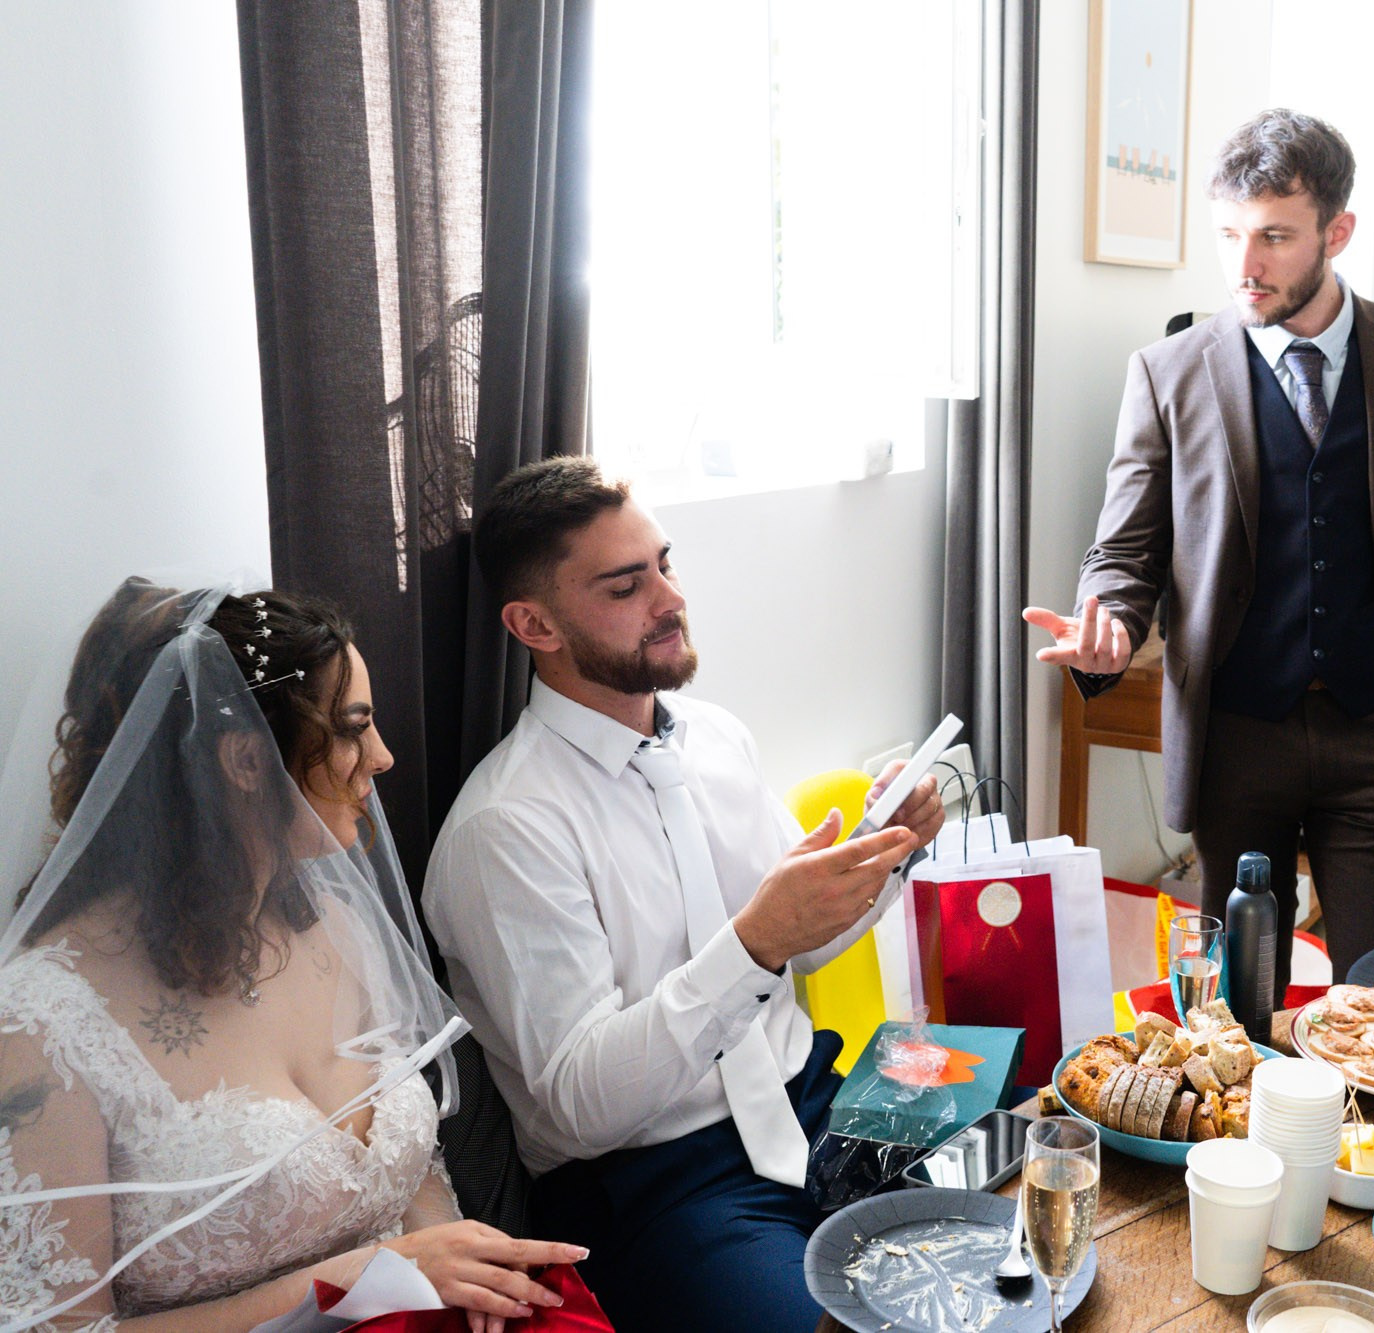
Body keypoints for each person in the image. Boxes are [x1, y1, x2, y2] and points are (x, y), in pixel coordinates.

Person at [423, 457, 946, 1333]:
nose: (669, 598)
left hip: (813, 1103)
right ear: (533, 623)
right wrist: (753, 944)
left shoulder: (716, 740)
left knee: (1023, 1265)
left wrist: (884, 854)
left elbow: (798, 941)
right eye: (628, 585)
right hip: (660, 1183)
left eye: (665, 564)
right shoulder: (506, 829)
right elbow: (576, 1103)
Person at [0, 579, 580, 1332]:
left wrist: (466, 1284)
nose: (383, 756)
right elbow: (60, 1331)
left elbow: (415, 1181)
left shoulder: (337, 920)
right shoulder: (43, 1023)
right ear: (245, 760)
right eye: (352, 727)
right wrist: (360, 1277)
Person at [1025, 108, 1374, 989]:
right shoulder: (1167, 372)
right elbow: (1125, 551)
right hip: (1236, 736)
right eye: (1231, 235)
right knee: (1242, 1007)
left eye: (1275, 236)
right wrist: (1111, 628)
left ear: (1337, 232)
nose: (1246, 265)